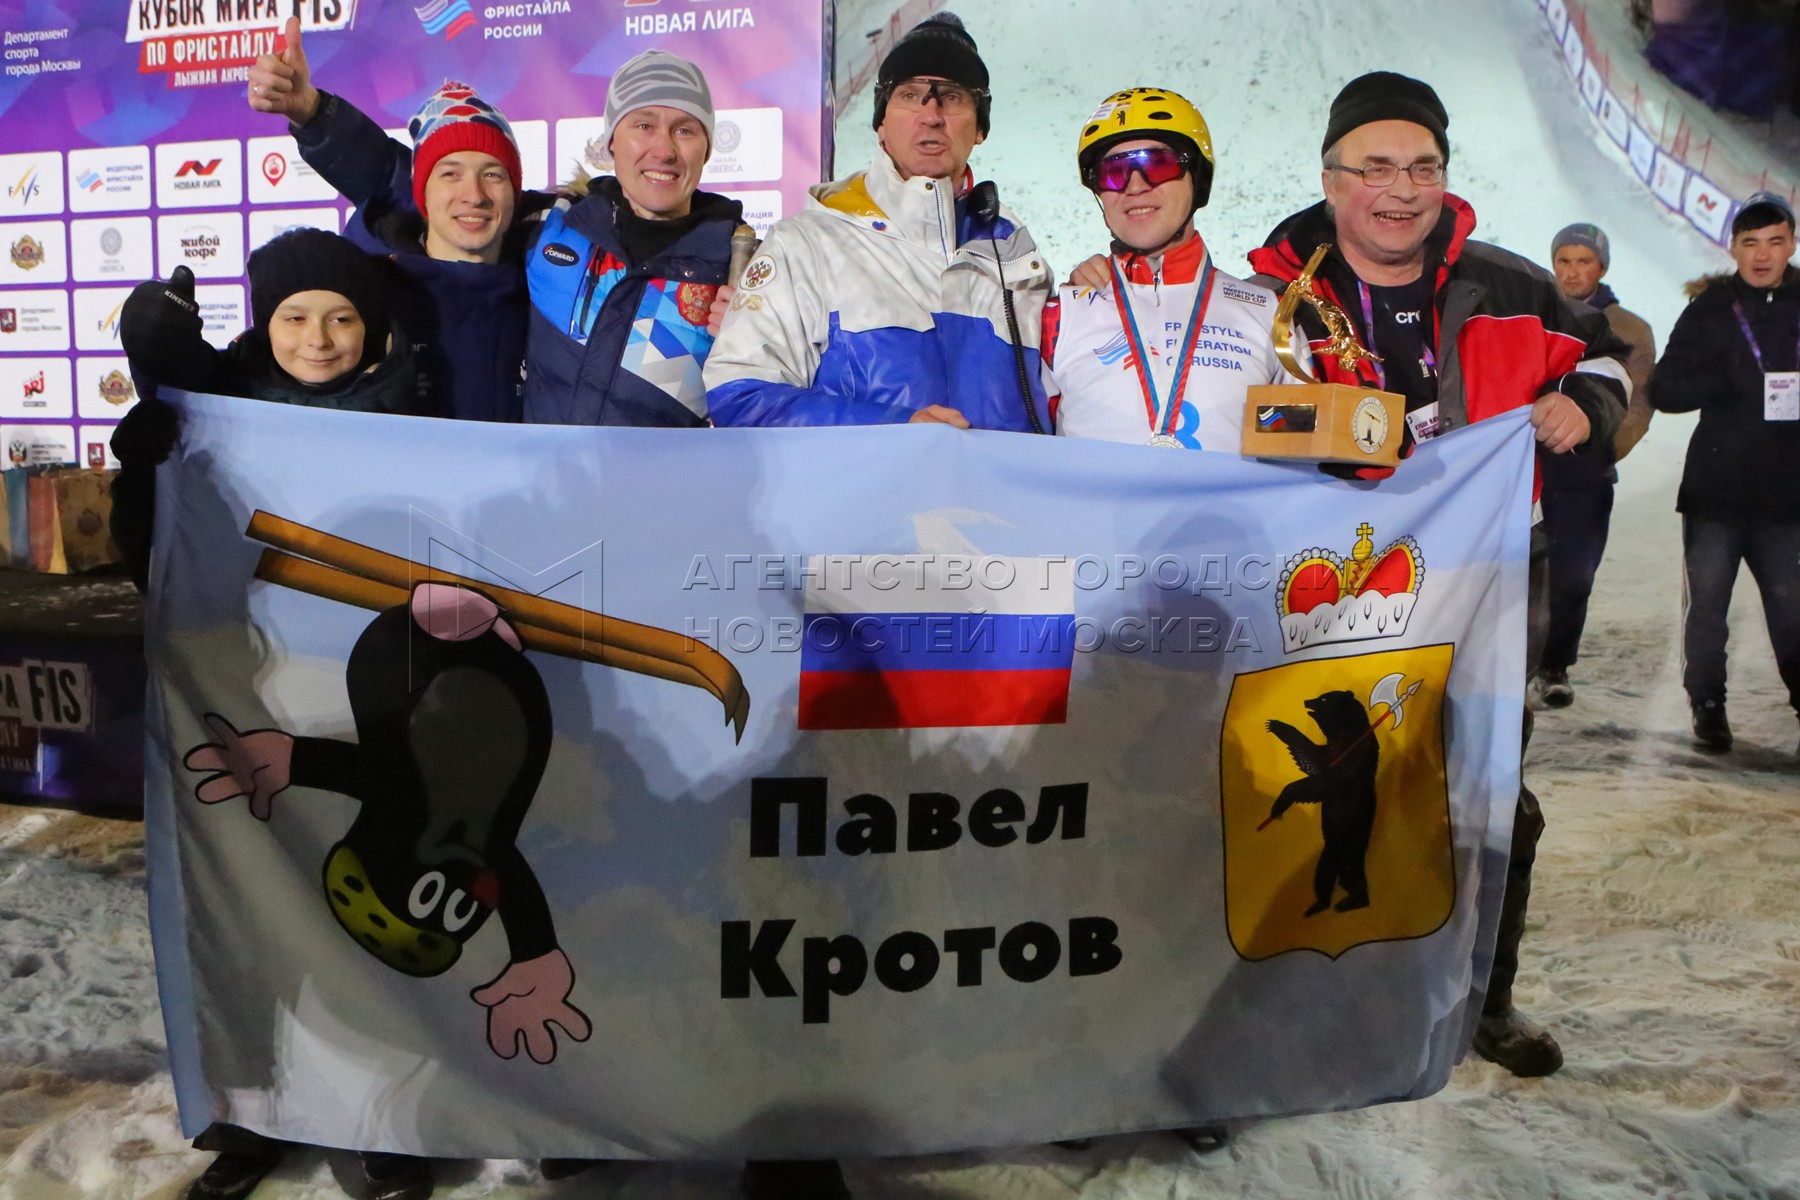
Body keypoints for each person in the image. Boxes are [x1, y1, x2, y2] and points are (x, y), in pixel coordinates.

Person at [1242, 72, 1630, 1079]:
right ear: (1332, 179)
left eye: (1422, 167)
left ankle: (1486, 997)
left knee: (1492, 798)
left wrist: (1585, 401)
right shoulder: (1274, 301)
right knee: (1330, 795)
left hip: (1491, 581)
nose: (1401, 189)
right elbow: (1233, 419)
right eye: (1376, 167)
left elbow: (1610, 361)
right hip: (1335, 591)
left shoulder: (1510, 285)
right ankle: (1315, 993)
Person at [111, 230, 434, 1200]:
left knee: (371, 909)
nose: (318, 339)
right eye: (295, 317)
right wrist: (146, 475)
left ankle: (385, 1120)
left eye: (341, 318)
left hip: (371, 702)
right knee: (243, 911)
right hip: (248, 692)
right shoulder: (216, 419)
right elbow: (154, 563)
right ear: (264, 322)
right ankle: (252, 1111)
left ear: (373, 329)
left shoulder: (422, 419)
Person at [703, 13, 1052, 432]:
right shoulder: (807, 244)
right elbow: (740, 397)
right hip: (868, 480)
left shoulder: (1016, 254)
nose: (931, 115)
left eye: (953, 97)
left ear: (980, 128)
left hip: (1001, 480)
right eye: (910, 95)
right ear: (881, 124)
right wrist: (897, 430)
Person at [250, 25, 534, 423]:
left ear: (514, 191)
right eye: (450, 174)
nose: (474, 195)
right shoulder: (364, 296)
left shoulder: (553, 283)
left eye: (493, 174)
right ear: (421, 191)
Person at [1048, 87, 1296, 449]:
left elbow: (1302, 454)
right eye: (1113, 172)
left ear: (1198, 178)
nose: (1135, 186)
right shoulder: (1059, 316)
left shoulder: (1270, 313)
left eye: (1157, 164)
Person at [1649, 190, 1800, 754]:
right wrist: (1729, 377)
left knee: (1793, 611)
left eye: (1775, 242)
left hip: (1788, 496)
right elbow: (1664, 390)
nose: (1762, 255)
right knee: (1708, 610)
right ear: (1732, 246)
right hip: (1716, 492)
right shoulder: (1711, 308)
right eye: (1750, 243)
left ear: (1792, 244)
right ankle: (1707, 705)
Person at [522, 48, 743, 425]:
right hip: (544, 466)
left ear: (706, 149)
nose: (665, 150)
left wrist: (753, 342)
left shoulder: (742, 273)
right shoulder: (549, 229)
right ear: (611, 140)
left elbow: (772, 405)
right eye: (644, 126)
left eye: (684, 130)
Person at [1535, 223, 1656, 707]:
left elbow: (1638, 403)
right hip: (1531, 467)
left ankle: (1555, 665)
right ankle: (1514, 662)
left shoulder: (1629, 328)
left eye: (1583, 261)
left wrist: (1601, 447)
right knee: (1522, 571)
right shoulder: (1534, 312)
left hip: (1587, 475)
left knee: (1573, 576)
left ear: (1601, 267)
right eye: (1563, 261)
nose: (1572, 272)